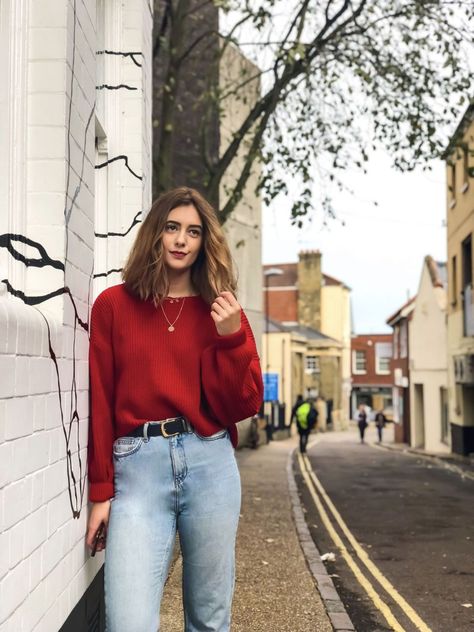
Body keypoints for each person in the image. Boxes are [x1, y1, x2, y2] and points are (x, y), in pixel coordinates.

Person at [85, 187, 264, 632]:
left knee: (208, 616)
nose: (181, 240)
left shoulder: (223, 311)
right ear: (155, 235)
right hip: (138, 469)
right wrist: (101, 492)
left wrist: (231, 338)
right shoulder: (114, 305)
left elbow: (243, 403)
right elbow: (101, 400)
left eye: (193, 231)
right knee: (127, 621)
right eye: (171, 228)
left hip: (210, 463)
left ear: (205, 242)